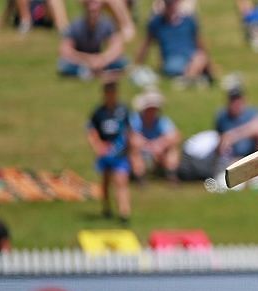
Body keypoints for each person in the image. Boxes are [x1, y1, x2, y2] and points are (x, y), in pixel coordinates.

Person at [135, 0, 212, 88]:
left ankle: (190, 78)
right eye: (168, 3)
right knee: (200, 58)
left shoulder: (189, 21)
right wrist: (138, 65)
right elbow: (146, 45)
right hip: (172, 62)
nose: (171, 5)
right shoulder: (157, 23)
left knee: (200, 58)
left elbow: (199, 43)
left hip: (189, 58)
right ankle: (188, 79)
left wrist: (210, 67)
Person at [87, 81, 132, 223]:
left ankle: (124, 212)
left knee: (121, 181)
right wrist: (98, 146)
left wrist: (130, 149)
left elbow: (130, 130)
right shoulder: (99, 112)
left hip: (120, 152)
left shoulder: (123, 110)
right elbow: (91, 131)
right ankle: (106, 208)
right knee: (106, 182)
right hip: (105, 152)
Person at [58, 0, 127, 80]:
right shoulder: (75, 25)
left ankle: (92, 72)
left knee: (122, 61)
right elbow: (65, 50)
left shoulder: (107, 24)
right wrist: (89, 60)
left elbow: (117, 47)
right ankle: (93, 72)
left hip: (101, 60)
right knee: (64, 65)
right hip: (82, 61)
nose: (93, 8)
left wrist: (103, 59)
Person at [215, 82, 258, 169]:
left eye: (238, 99)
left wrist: (233, 135)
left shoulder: (253, 113)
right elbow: (221, 142)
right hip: (234, 158)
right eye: (233, 100)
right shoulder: (223, 117)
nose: (236, 103)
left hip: (254, 153)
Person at [129, 90, 182, 181]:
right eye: (149, 108)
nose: (151, 111)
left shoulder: (162, 121)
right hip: (141, 150)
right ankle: (140, 177)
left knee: (172, 148)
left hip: (157, 151)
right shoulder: (135, 120)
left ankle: (171, 174)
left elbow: (176, 135)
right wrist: (148, 145)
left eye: (154, 108)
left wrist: (160, 144)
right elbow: (130, 136)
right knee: (135, 145)